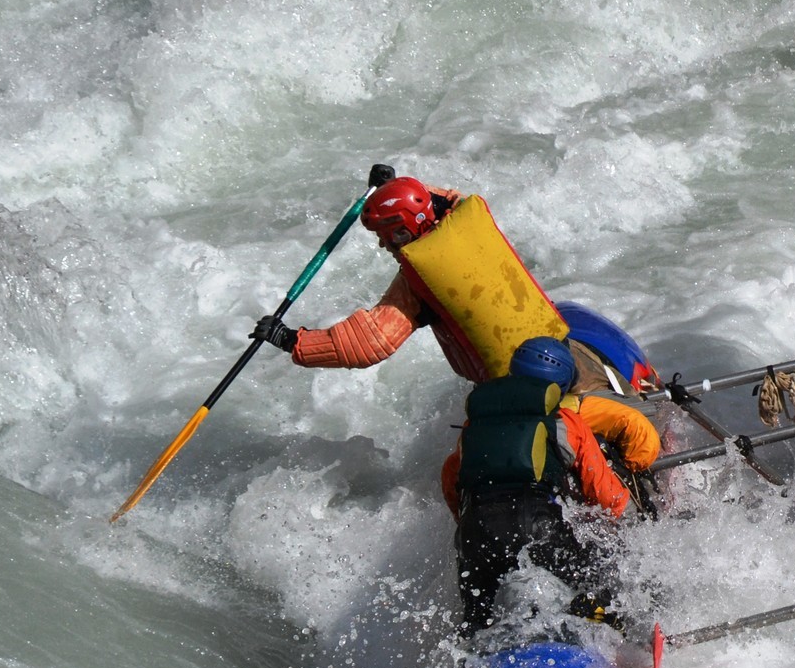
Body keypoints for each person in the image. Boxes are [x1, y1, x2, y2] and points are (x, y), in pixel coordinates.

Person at [249, 174, 661, 478]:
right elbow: (440, 197)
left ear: (408, 230)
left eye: (388, 236)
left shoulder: (419, 280)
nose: (382, 246)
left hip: (519, 395)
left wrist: (290, 341)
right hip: (564, 352)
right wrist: (394, 187)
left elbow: (369, 343)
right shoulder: (467, 214)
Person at [440, 336, 631, 633]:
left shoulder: (474, 424)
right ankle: (617, 638)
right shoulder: (566, 421)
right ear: (562, 386)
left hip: (474, 532)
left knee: (476, 621)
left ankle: (468, 661)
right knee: (594, 587)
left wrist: (470, 521)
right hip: (536, 524)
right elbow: (608, 499)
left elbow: (451, 480)